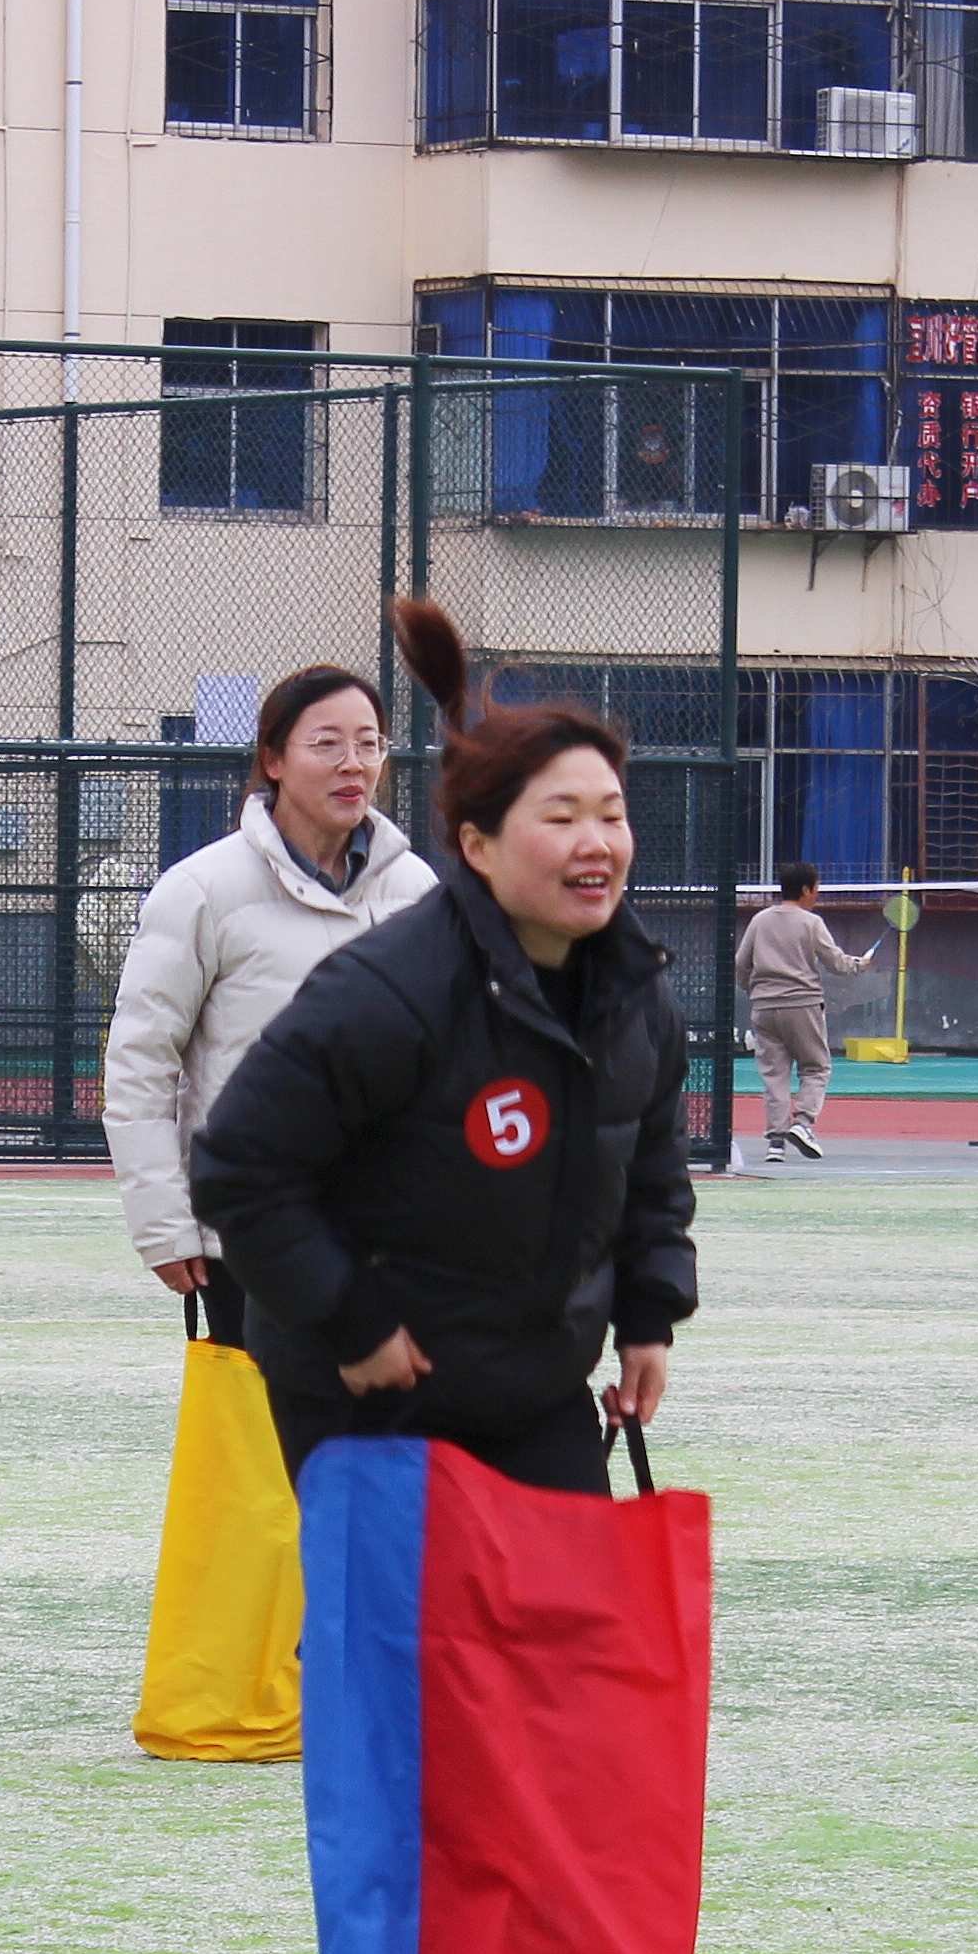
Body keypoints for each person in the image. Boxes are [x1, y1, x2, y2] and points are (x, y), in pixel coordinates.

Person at [190, 601, 697, 1502]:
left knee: (560, 1631)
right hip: (372, 1391)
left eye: (612, 816)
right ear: (479, 847)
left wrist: (648, 1316)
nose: (597, 844)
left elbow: (649, 1170)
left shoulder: (632, 990)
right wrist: (353, 1322)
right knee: (394, 1640)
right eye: (562, 817)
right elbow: (238, 1164)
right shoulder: (393, 990)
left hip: (536, 1386)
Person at [101, 665, 432, 1330]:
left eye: (369, 744)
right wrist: (164, 1224)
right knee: (268, 1433)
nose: (353, 764)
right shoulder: (201, 890)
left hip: (391, 1241)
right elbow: (139, 1064)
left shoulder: (417, 890)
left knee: (390, 1433)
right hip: (253, 1240)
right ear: (273, 760)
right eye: (327, 744)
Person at [731, 863, 872, 1162]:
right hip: (803, 1006)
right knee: (816, 1067)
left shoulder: (759, 921)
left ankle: (776, 1144)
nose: (817, 894)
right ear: (807, 889)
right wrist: (859, 965)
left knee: (774, 1075)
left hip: (764, 1008)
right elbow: (836, 962)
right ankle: (803, 1124)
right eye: (816, 888)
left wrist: (754, 990)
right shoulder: (812, 923)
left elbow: (741, 964)